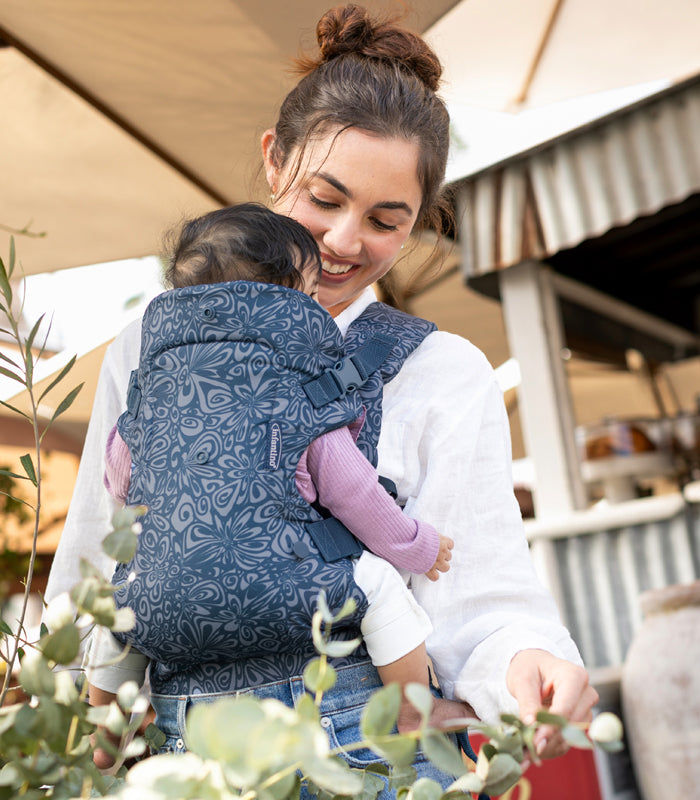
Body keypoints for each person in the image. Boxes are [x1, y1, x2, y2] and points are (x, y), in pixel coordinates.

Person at [45, 3, 597, 787]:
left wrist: (529, 664)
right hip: (188, 768)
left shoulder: (444, 371)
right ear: (275, 161)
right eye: (324, 198)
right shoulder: (148, 347)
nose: (342, 242)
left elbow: (484, 606)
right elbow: (98, 567)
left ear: (418, 226)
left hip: (375, 763)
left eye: (384, 219)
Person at [88, 201, 459, 735]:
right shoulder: (296, 392)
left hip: (168, 599)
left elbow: (119, 480)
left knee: (122, 606)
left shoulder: (154, 395)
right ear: (285, 303)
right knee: (377, 585)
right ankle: (411, 708)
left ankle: (102, 729)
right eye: (310, 294)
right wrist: (418, 546)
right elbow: (356, 496)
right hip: (286, 589)